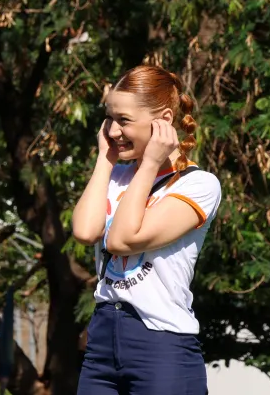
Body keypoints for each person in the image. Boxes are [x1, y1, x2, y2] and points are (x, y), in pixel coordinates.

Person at [72, 65, 221, 395]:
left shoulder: (198, 185)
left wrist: (152, 163)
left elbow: (123, 240)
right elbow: (84, 230)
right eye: (109, 118)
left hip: (161, 347)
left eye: (123, 120)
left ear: (163, 121)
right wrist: (104, 160)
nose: (112, 131)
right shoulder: (115, 177)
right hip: (101, 344)